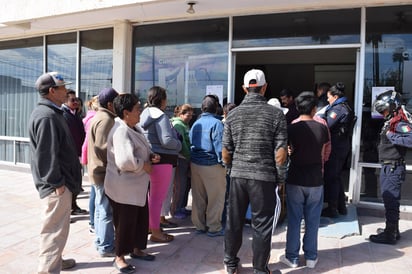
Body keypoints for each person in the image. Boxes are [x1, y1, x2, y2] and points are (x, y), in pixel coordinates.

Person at [223, 69, 288, 274]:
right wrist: (281, 178)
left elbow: (226, 152)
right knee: (262, 225)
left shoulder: (232, 115)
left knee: (234, 221)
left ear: (244, 89)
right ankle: (260, 269)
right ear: (265, 87)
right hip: (264, 177)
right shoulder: (276, 114)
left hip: (238, 176)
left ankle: (231, 264)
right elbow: (280, 153)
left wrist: (231, 170)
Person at [29, 72, 81, 272]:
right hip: (56, 186)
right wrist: (57, 184)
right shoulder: (47, 116)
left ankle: (56, 259)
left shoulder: (53, 112)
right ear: (52, 91)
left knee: (59, 229)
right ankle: (48, 269)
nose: (67, 91)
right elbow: (45, 156)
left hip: (60, 183)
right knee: (53, 231)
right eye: (62, 88)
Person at [105, 94, 159, 274]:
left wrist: (151, 156)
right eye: (137, 109)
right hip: (124, 189)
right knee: (124, 223)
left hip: (137, 187)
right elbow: (125, 161)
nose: (140, 111)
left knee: (140, 220)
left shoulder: (133, 127)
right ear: (126, 113)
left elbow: (142, 148)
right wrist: (144, 164)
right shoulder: (121, 131)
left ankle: (137, 249)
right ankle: (119, 257)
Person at [279, 92, 329, 269]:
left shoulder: (291, 127)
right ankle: (311, 257)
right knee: (313, 221)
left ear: (297, 108)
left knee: (294, 220)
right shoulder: (322, 127)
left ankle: (292, 258)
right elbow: (325, 153)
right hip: (315, 178)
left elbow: (286, 151)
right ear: (314, 108)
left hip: (295, 177)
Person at [139, 86, 182, 243]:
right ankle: (156, 232)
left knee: (149, 197)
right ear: (163, 100)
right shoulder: (161, 116)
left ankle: (151, 226)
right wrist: (179, 144)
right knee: (157, 198)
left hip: (149, 158)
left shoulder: (144, 114)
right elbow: (167, 140)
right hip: (163, 160)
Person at [369, 90, 412, 245]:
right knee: (390, 200)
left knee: (391, 200)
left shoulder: (400, 122)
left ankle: (390, 234)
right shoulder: (392, 120)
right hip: (389, 166)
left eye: (385, 110)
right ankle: (394, 230)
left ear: (393, 106)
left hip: (393, 167)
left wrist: (392, 137)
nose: (383, 113)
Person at [87, 87, 119, 257]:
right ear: (109, 104)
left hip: (97, 170)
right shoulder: (106, 119)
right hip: (103, 172)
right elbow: (102, 148)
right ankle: (106, 246)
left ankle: (101, 242)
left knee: (101, 209)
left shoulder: (100, 116)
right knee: (106, 211)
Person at [189, 94, 226, 237]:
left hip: (195, 163)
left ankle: (199, 225)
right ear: (216, 108)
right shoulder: (217, 124)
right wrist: (224, 164)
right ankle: (214, 227)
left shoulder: (196, 123)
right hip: (211, 165)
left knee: (198, 197)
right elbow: (219, 147)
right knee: (215, 198)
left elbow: (191, 141)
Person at [321, 82, 355, 218]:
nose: (327, 99)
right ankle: (341, 206)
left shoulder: (338, 109)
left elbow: (327, 125)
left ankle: (332, 208)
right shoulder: (343, 106)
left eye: (328, 97)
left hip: (337, 146)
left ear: (335, 96)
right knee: (336, 176)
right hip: (341, 145)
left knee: (332, 177)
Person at [62, 89, 87, 216]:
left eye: (76, 99)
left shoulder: (75, 114)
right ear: (66, 101)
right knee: (71, 182)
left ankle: (73, 205)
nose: (76, 102)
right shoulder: (63, 115)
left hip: (77, 153)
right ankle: (68, 209)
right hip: (70, 155)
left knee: (77, 181)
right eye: (72, 100)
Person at [170, 104, 194, 219]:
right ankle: (175, 210)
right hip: (181, 159)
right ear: (181, 114)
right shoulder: (178, 125)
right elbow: (183, 145)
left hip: (185, 159)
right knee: (179, 186)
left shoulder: (184, 125)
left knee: (184, 186)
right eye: (188, 115)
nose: (190, 117)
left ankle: (181, 207)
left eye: (191, 115)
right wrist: (189, 157)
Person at [81, 95, 99, 233]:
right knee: (95, 191)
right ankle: (93, 222)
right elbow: (87, 141)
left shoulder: (91, 117)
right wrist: (85, 158)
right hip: (93, 158)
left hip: (91, 157)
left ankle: (93, 221)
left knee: (94, 190)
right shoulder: (94, 119)